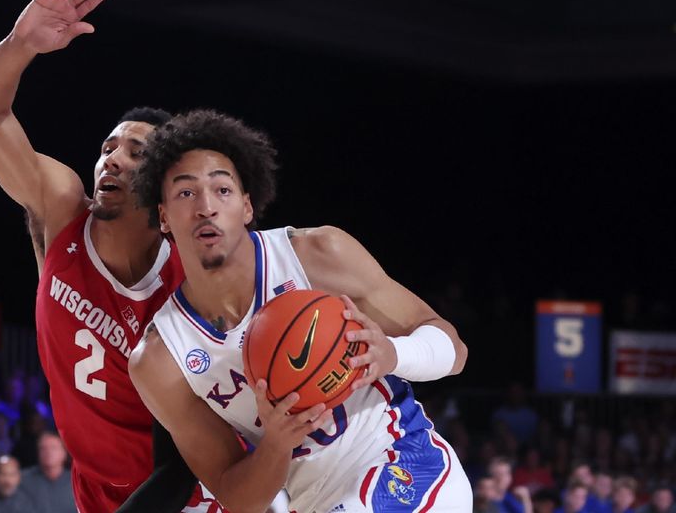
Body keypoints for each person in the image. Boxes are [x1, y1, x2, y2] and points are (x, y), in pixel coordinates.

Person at [130, 110, 472, 512]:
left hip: (404, 462)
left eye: (222, 190)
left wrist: (393, 354)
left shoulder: (318, 254)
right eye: (186, 193)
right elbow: (237, 497)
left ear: (246, 206)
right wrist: (275, 443)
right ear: (164, 216)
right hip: (313, 501)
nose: (206, 207)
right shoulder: (159, 360)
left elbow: (455, 350)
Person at [0, 0, 203, 512]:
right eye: (109, 146)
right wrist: (20, 44)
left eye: (136, 152)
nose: (113, 157)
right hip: (94, 491)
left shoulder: (195, 269)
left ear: (165, 183)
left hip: (190, 491)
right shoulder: (62, 210)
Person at [19, 432, 76, 513]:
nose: (48, 452)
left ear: (64, 453)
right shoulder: (22, 479)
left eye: (53, 448)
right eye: (43, 448)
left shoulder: (75, 481)